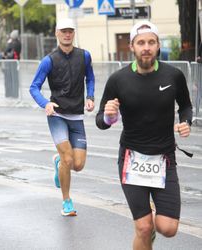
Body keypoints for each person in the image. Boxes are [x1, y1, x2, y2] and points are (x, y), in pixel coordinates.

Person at [96, 21, 192, 249]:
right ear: (132, 47)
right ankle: (145, 225)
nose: (146, 47)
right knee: (144, 227)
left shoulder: (174, 76)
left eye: (151, 42)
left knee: (167, 228)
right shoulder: (118, 80)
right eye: (141, 43)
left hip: (164, 159)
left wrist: (185, 122)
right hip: (132, 159)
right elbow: (101, 120)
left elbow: (186, 106)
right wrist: (109, 116)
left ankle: (149, 227)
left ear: (158, 45)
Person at [30, 18, 95, 216]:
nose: (67, 34)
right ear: (57, 33)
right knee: (69, 159)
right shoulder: (48, 60)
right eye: (63, 31)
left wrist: (90, 96)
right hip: (57, 114)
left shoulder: (84, 56)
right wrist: (46, 104)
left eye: (70, 31)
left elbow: (90, 77)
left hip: (76, 115)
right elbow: (34, 87)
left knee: (78, 165)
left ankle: (58, 161)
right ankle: (67, 202)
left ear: (73, 33)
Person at [3, 30, 22, 98]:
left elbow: (6, 51)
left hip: (12, 62)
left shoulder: (14, 43)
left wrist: (9, 44)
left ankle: (13, 94)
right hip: (13, 62)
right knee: (13, 78)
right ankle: (12, 94)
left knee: (13, 79)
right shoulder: (17, 42)